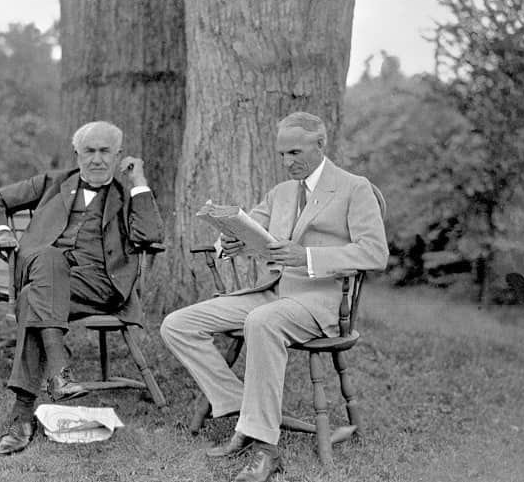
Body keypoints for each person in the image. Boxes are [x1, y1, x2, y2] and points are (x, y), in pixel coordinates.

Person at [160, 111, 388, 482]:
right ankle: (244, 409)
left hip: (319, 303)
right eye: (282, 154)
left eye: (295, 152)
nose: (287, 162)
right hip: (273, 294)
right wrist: (228, 240)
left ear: (321, 144)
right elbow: (252, 225)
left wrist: (309, 257)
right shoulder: (282, 192)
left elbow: (375, 254)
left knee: (261, 321)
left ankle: (266, 447)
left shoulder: (353, 188)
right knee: (177, 324)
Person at [0, 120, 164, 456]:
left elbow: (149, 235)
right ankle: (53, 381)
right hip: (48, 277)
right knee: (44, 270)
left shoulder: (125, 196)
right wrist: (0, 233)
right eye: (88, 151)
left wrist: (139, 182)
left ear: (118, 155)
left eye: (105, 151)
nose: (96, 159)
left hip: (99, 285)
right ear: (76, 153)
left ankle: (25, 414)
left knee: (33, 291)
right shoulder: (53, 183)